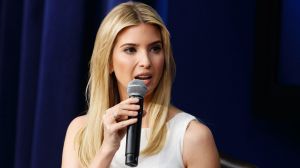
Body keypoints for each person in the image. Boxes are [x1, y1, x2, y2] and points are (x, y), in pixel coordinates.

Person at [62, 1, 220, 168]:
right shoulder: (80, 131)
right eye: (130, 49)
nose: (146, 62)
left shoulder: (193, 137)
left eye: (155, 49)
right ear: (108, 61)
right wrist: (107, 150)